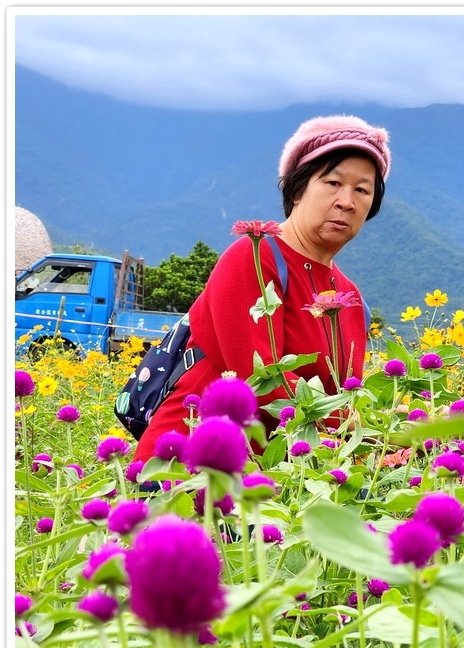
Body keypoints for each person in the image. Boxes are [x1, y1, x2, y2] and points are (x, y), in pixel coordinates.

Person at [134, 114, 391, 463]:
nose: (347, 201)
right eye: (333, 183)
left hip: (282, 487)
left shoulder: (350, 297)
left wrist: (383, 438)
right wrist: (370, 434)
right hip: (189, 466)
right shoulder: (255, 255)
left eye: (362, 189)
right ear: (298, 189)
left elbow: (344, 397)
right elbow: (260, 379)